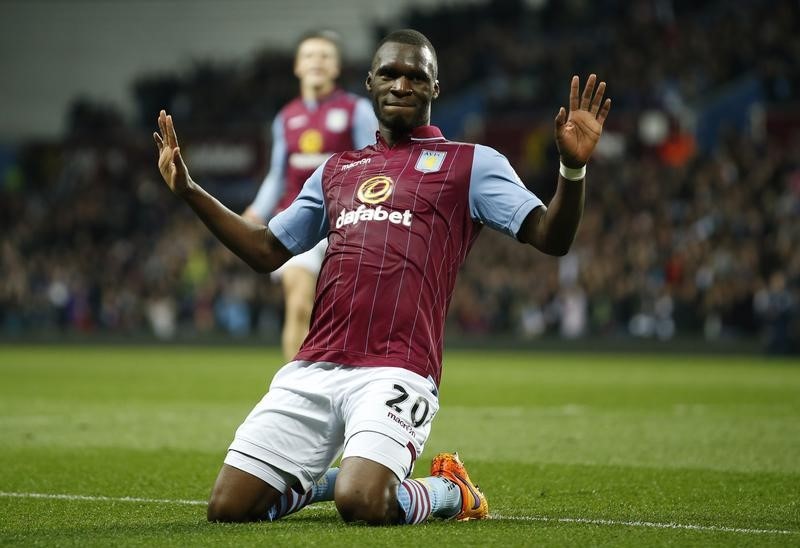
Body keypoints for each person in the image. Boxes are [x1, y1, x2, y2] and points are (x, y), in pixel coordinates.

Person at [154, 29, 610, 526]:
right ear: (369, 82)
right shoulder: (336, 170)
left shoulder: (470, 164)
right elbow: (265, 250)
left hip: (399, 368)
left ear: (436, 88)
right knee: (229, 509)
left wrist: (570, 170)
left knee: (365, 503)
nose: (402, 84)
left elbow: (551, 236)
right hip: (316, 365)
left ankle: (451, 491)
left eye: (417, 77)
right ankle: (322, 480)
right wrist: (191, 190)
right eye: (390, 73)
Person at [243, 30, 378, 360]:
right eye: (309, 56)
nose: (316, 62)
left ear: (336, 67)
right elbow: (278, 173)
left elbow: (375, 162)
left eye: (325, 56)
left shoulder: (356, 110)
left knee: (344, 315)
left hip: (346, 223)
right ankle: (291, 393)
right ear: (297, 66)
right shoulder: (286, 117)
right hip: (298, 221)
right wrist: (257, 210)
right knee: (299, 302)